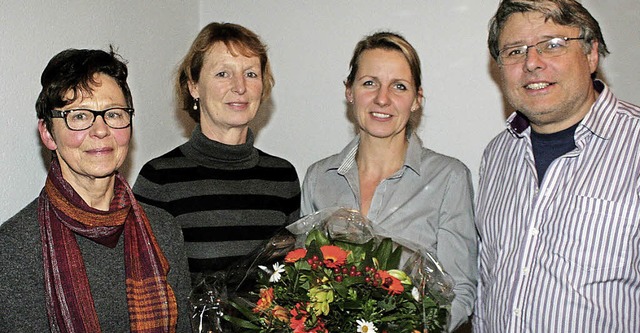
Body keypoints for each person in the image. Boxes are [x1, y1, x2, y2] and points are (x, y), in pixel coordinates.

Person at [475, 0, 640, 331]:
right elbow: (486, 285)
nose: (532, 63)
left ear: (591, 54)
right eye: (514, 51)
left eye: (553, 45)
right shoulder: (496, 155)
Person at [0, 48, 191, 332]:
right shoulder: (14, 247)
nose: (100, 130)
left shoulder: (163, 230)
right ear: (47, 133)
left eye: (113, 114)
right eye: (79, 116)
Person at [301, 31, 478, 332]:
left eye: (399, 86)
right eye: (369, 83)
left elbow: (460, 290)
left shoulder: (449, 178)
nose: (382, 98)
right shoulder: (319, 178)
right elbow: (303, 276)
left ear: (417, 99)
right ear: (350, 92)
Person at [133, 22, 301, 284]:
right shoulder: (160, 179)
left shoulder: (282, 178)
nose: (240, 87)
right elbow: (146, 288)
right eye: (223, 74)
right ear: (194, 87)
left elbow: (291, 283)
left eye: (251, 74)